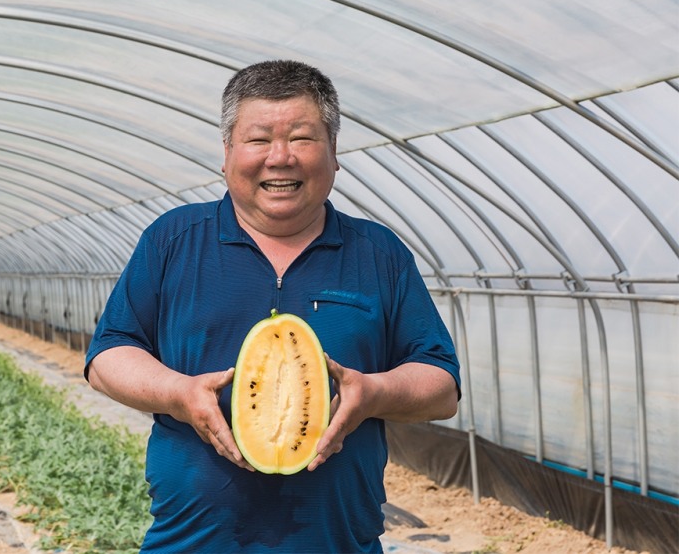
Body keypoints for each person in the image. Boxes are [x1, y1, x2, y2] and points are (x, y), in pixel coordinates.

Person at [85, 59, 461, 553]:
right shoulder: (173, 241)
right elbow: (109, 354)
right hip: (191, 544)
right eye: (259, 140)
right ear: (227, 154)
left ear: (334, 153)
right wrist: (179, 392)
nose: (280, 158)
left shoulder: (379, 253)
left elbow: (442, 386)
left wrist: (374, 391)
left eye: (302, 138)